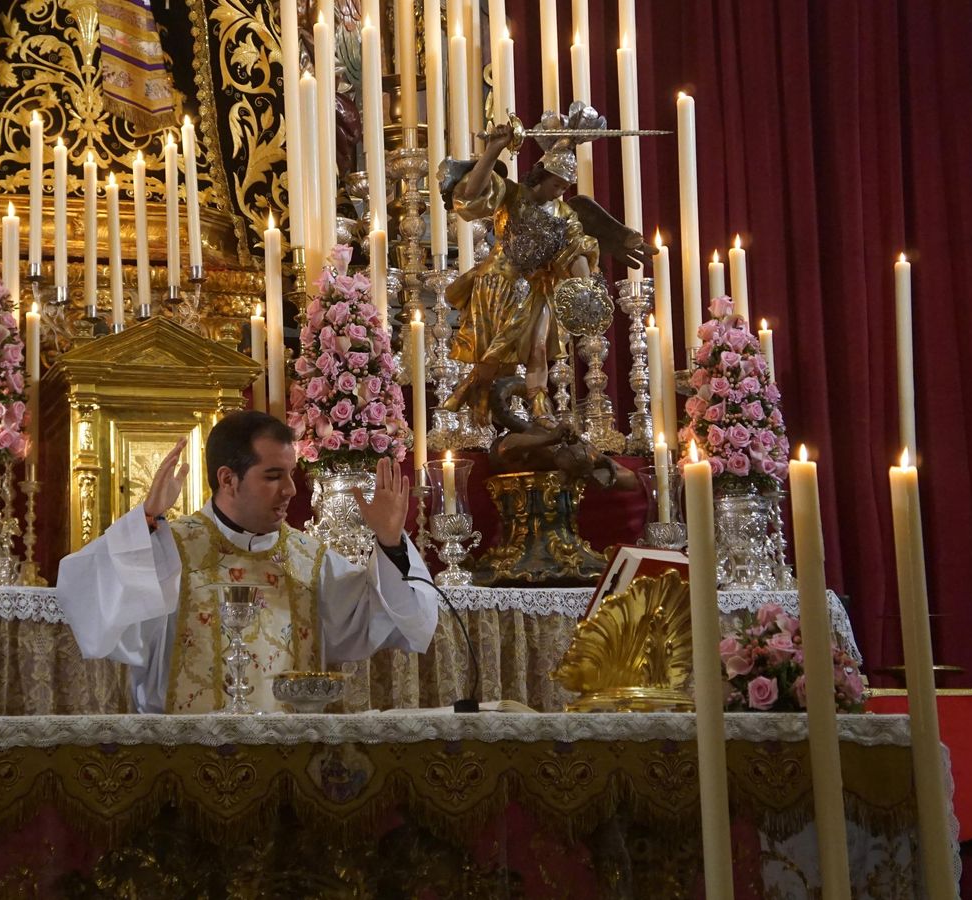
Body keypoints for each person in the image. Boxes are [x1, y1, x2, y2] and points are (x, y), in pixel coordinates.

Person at [56, 411, 440, 713]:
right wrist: (144, 521)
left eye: (291, 474)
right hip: (184, 759)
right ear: (228, 479)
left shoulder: (311, 561)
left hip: (290, 765)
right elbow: (87, 597)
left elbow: (405, 620)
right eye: (273, 476)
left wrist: (390, 542)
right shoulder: (169, 549)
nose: (290, 490)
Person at [440, 104, 643, 426]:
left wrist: (585, 287)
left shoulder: (565, 214)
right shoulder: (512, 194)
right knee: (491, 356)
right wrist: (493, 150)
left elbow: (579, 247)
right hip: (498, 284)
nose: (561, 191)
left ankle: (539, 407)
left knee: (537, 350)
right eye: (556, 184)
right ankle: (474, 395)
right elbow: (471, 195)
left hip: (539, 288)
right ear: (540, 175)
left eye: (565, 187)